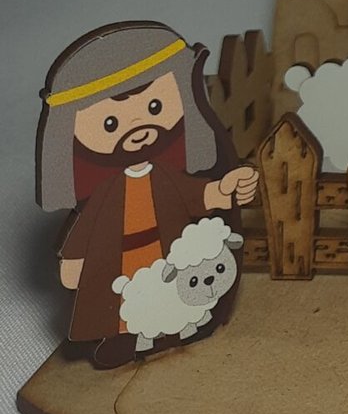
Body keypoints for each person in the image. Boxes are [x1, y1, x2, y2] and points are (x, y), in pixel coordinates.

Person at [36, 21, 259, 368]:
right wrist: (75, 261)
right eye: (111, 123)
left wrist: (222, 190)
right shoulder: (104, 193)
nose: (138, 128)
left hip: (167, 250)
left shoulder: (166, 175)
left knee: (171, 297)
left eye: (155, 107)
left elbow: (195, 196)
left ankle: (172, 330)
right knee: (121, 305)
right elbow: (86, 228)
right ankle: (121, 340)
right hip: (117, 262)